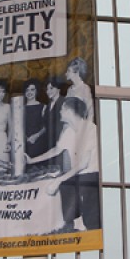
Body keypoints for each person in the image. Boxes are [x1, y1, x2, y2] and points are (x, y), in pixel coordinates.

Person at [25, 97, 100, 231]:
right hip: (77, 176)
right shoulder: (69, 131)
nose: (59, 111)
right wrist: (32, 160)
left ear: (69, 111)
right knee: (70, 208)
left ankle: (86, 228)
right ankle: (78, 226)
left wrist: (59, 180)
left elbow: (84, 164)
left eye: (62, 109)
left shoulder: (90, 129)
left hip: (91, 178)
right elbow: (57, 150)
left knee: (91, 221)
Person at [25, 76, 66, 172]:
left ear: (58, 88)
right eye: (47, 89)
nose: (48, 91)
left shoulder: (64, 102)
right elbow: (46, 126)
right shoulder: (48, 106)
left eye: (51, 88)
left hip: (61, 143)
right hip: (49, 144)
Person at [65, 57, 94, 121]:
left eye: (68, 71)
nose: (66, 73)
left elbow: (90, 111)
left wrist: (87, 127)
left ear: (77, 72)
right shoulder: (69, 89)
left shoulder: (85, 88)